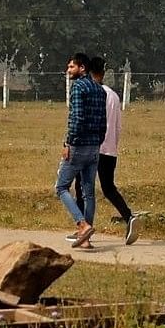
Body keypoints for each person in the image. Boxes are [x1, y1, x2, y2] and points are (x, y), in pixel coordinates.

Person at [55, 52, 108, 246]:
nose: (68, 70)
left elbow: (76, 119)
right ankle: (85, 239)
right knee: (88, 192)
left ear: (82, 68)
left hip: (78, 146)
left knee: (61, 187)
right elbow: (104, 122)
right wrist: (98, 141)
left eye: (71, 67)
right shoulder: (100, 90)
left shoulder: (78, 87)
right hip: (94, 146)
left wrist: (68, 143)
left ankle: (82, 224)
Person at [95, 69, 134, 243]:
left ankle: (83, 226)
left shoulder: (94, 94)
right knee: (109, 187)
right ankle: (128, 216)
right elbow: (118, 126)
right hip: (110, 148)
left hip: (94, 147)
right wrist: (113, 146)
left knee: (82, 186)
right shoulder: (114, 96)